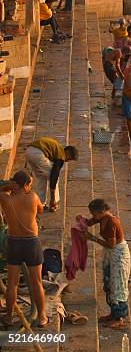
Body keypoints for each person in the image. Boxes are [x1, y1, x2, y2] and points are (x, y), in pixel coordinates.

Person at [0, 170, 48, 328]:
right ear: (26, 184)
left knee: (12, 283)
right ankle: (42, 316)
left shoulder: (5, 199)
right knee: (37, 283)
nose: (30, 187)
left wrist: (6, 187)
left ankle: (8, 316)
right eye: (30, 184)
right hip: (31, 243)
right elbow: (41, 209)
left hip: (14, 243)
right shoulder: (33, 197)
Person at [80, 199, 131, 329]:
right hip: (110, 255)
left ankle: (119, 318)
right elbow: (90, 222)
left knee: (118, 284)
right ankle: (113, 314)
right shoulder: (100, 218)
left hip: (118, 255)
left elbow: (111, 244)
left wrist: (92, 238)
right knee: (109, 283)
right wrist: (82, 220)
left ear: (102, 211)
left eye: (94, 214)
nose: (93, 216)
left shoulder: (111, 221)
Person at [26, 137, 78, 211]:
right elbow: (54, 176)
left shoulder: (58, 148)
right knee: (55, 178)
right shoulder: (61, 155)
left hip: (29, 151)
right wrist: (53, 198)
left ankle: (41, 204)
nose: (67, 161)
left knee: (42, 178)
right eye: (69, 158)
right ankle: (54, 203)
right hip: (38, 154)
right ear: (68, 153)